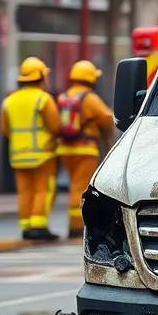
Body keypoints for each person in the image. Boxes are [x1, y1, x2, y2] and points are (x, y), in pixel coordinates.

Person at [0, 57, 60, 240]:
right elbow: (55, 126)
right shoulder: (43, 99)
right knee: (43, 189)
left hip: (18, 155)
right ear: (41, 76)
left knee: (24, 190)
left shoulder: (8, 101)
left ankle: (26, 225)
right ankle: (38, 226)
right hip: (42, 154)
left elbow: (5, 129)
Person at [57, 61, 115, 238]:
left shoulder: (62, 98)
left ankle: (75, 223)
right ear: (90, 79)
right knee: (80, 187)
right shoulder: (89, 98)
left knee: (74, 183)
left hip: (65, 150)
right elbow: (106, 117)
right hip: (85, 149)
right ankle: (76, 226)